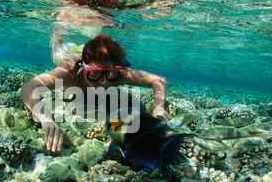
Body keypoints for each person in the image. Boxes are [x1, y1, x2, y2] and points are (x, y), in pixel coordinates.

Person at [20, 35, 171, 153]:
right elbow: (28, 88)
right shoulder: (69, 72)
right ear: (84, 69)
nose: (103, 82)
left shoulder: (119, 74)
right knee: (57, 48)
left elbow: (159, 80)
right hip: (67, 53)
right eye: (95, 74)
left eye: (110, 74)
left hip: (86, 56)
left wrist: (159, 107)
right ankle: (57, 38)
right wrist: (46, 118)